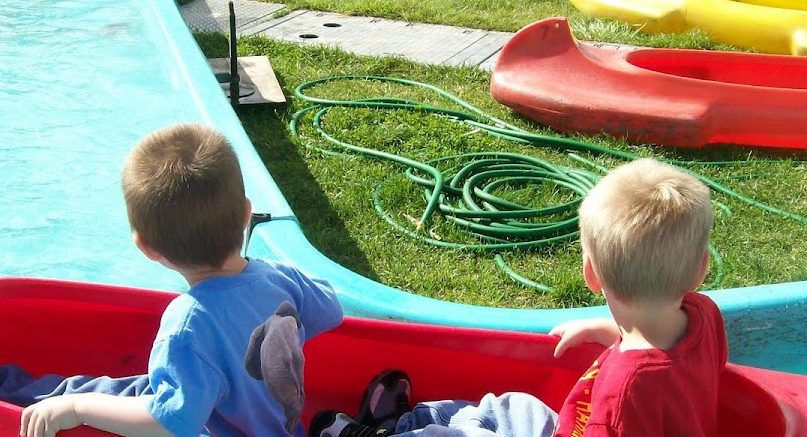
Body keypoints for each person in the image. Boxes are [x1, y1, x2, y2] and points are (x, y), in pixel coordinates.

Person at [0, 122, 345, 437]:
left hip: (207, 422)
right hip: (270, 424)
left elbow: (170, 422)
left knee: (87, 393)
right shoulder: (282, 281)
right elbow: (332, 308)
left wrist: (76, 410)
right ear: (247, 214)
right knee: (125, 388)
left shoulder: (189, 323)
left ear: (147, 249)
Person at [309, 158, 728, 437]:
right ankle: (406, 422)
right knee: (512, 407)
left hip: (584, 427)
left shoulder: (624, 393)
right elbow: (667, 349)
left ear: (590, 275)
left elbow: (633, 390)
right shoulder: (703, 315)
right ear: (700, 269)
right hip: (570, 425)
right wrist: (605, 329)